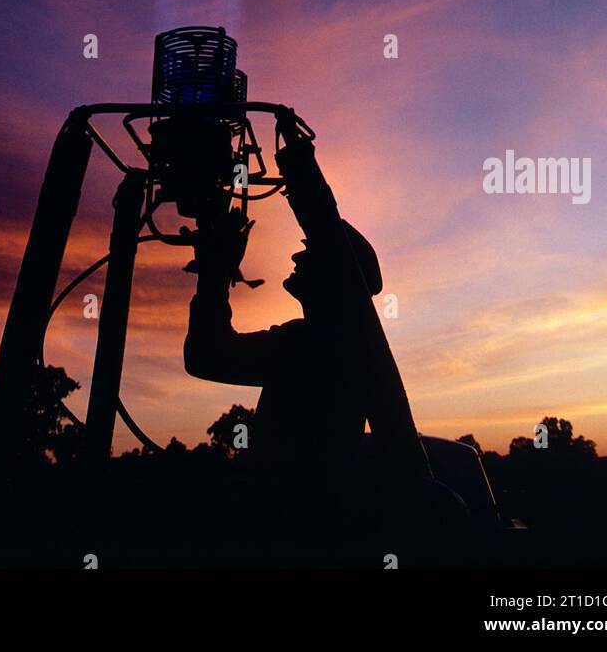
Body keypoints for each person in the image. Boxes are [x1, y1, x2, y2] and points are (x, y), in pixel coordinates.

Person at [184, 114, 443, 558]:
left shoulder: (319, 345)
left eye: (310, 253)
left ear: (337, 278)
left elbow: (208, 356)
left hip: (292, 536)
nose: (296, 253)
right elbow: (208, 356)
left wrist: (215, 273)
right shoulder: (324, 341)